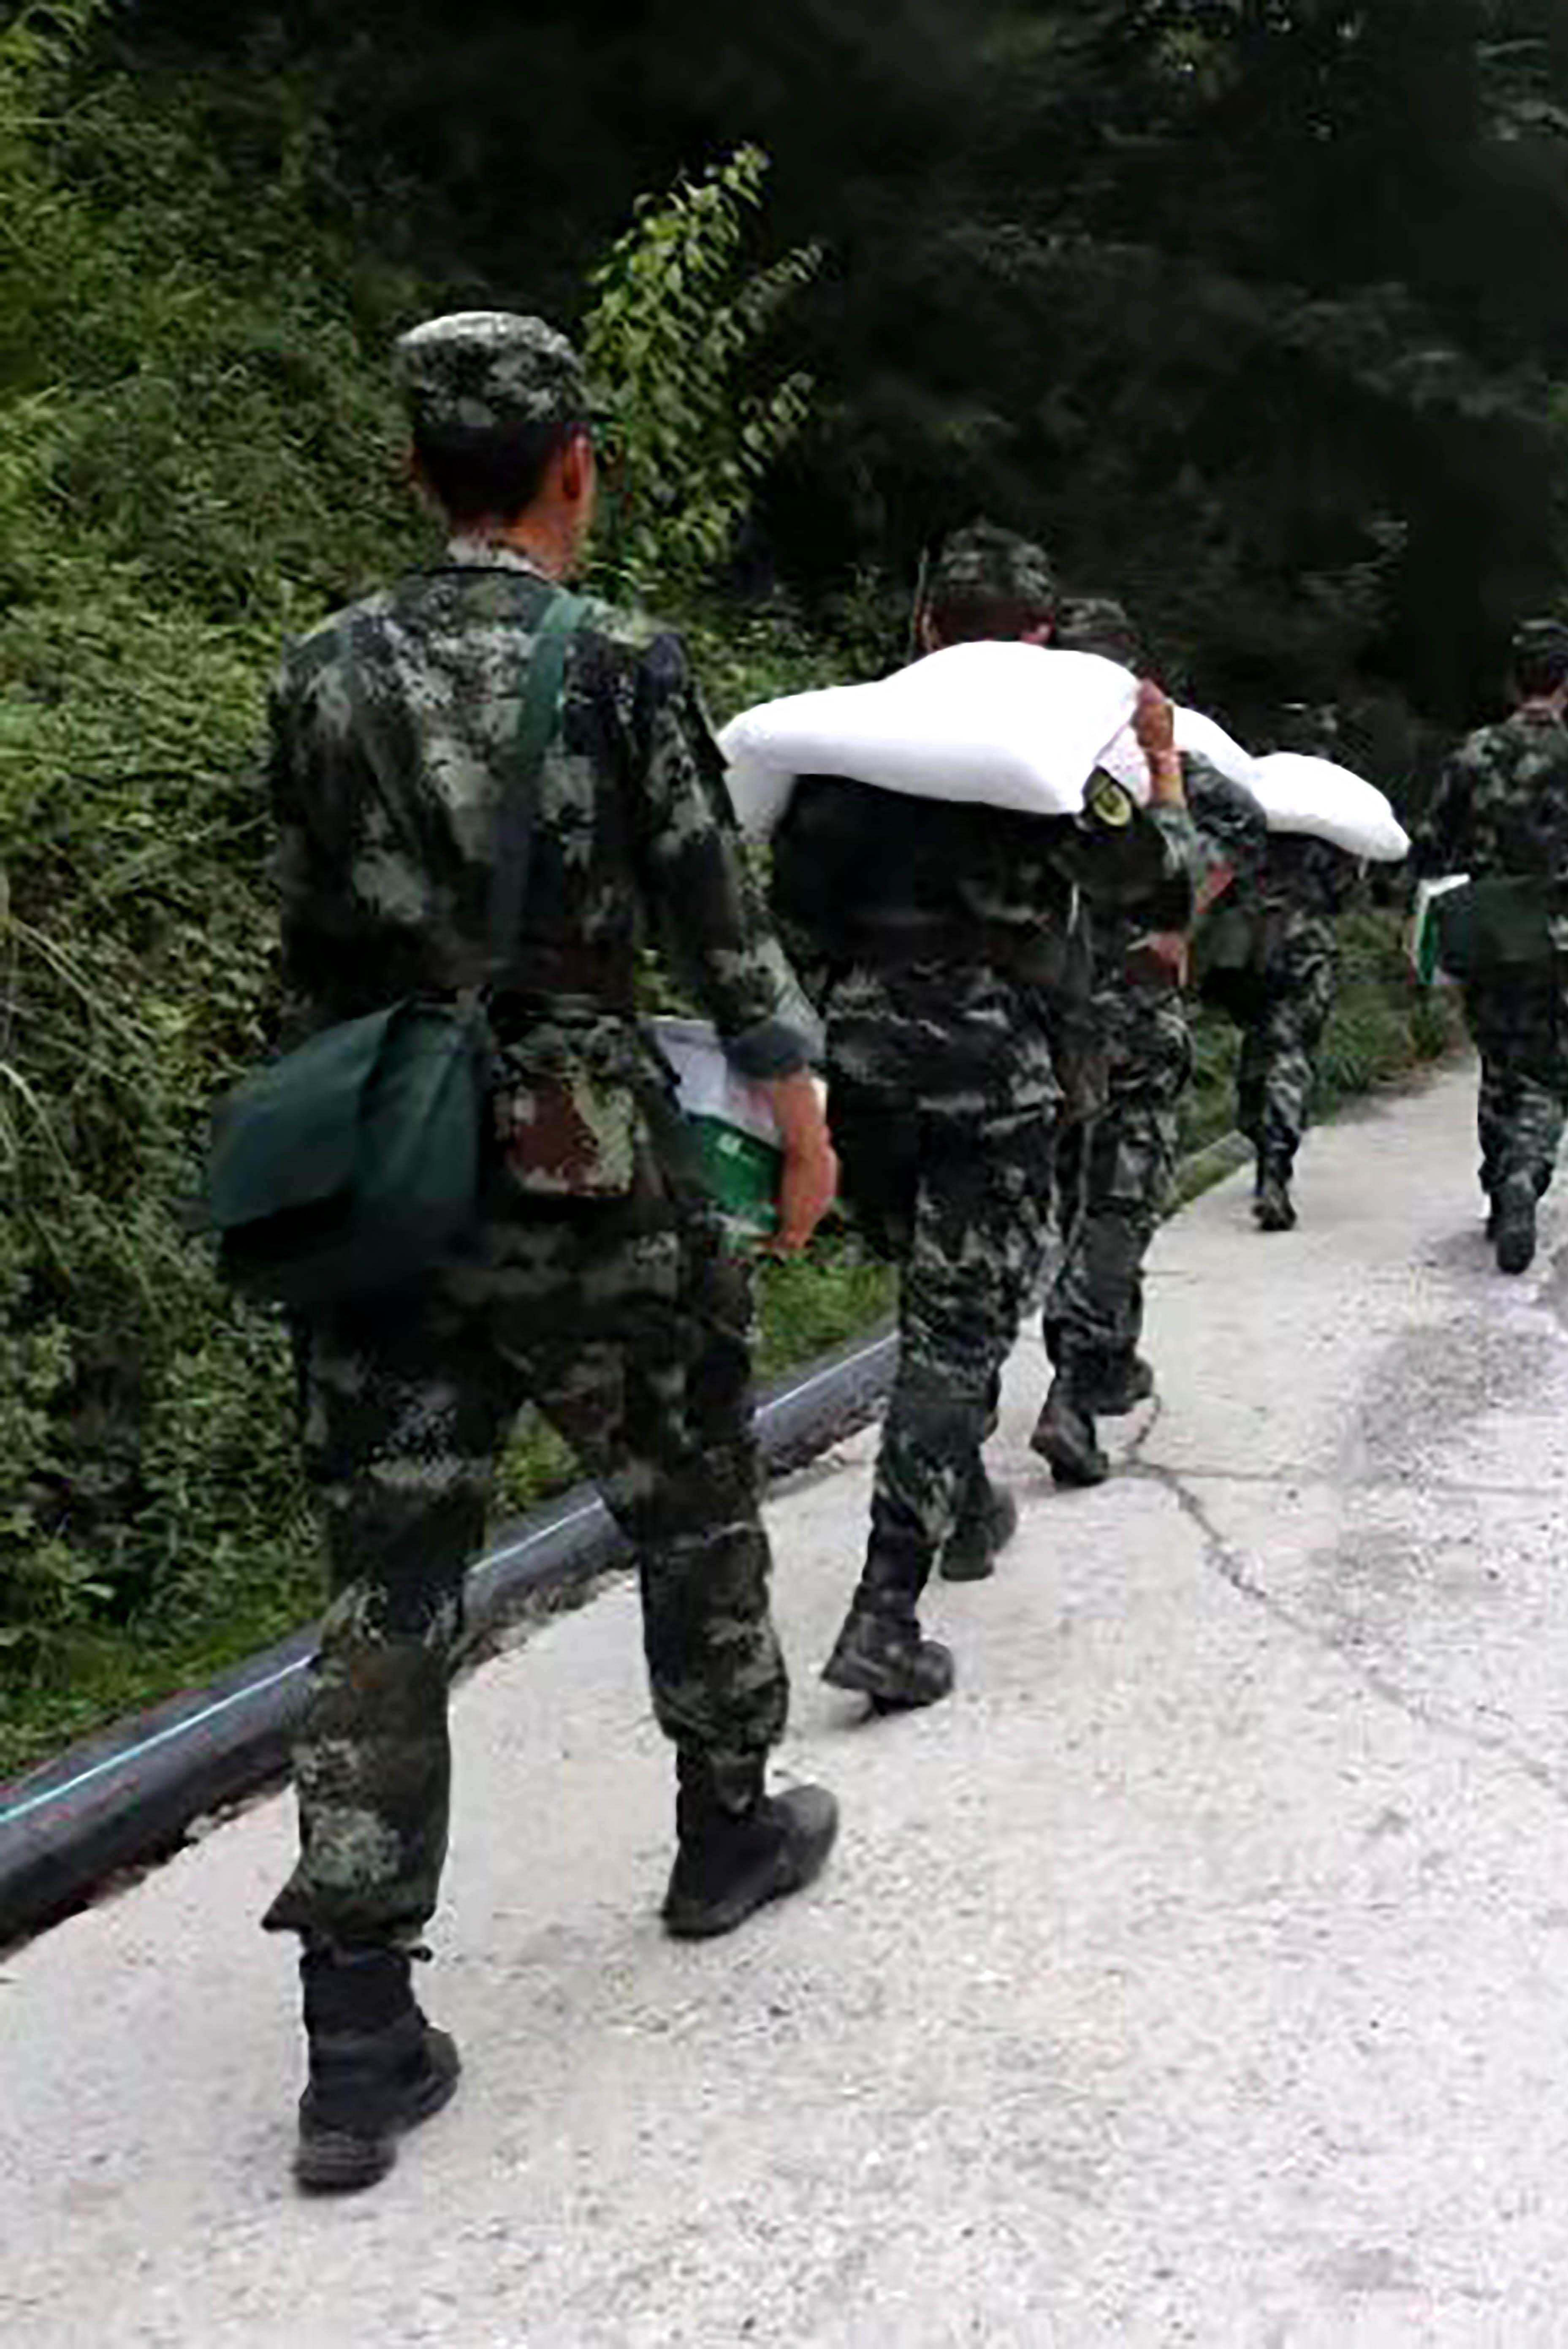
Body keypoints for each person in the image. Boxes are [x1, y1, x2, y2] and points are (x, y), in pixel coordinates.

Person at [258, 312, 843, 2194]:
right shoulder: (618, 667)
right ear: (576, 464)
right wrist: (800, 1110)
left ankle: (356, 2023)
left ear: (413, 470)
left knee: (390, 1575)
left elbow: (308, 930)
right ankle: (724, 1823)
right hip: (588, 1163)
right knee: (689, 1487)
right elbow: (715, 915)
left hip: (386, 1170)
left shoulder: (317, 670)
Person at [773, 527, 1195, 1706]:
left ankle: (960, 1509)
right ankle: (882, 1613)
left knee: (928, 1299)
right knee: (956, 1331)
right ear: (1042, 639)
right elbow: (1156, 887)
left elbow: (790, 910)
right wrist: (1157, 764)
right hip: (990, 1070)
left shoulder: (844, 753)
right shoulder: (1053, 752)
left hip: (862, 1067)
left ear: (924, 629)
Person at [1031, 596, 1207, 1489]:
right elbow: (1186, 872)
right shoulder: (1139, 769)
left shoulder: (1017, 761)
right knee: (1119, 1204)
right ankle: (1071, 1384)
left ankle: (1107, 1361)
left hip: (1039, 1023)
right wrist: (1165, 764)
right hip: (1129, 1020)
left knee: (1078, 1198)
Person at [1423, 619, 1568, 1274]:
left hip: (1482, 926)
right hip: (1549, 930)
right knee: (1549, 1066)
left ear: (1515, 678)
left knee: (1498, 1058)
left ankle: (1497, 1179)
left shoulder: (1472, 753)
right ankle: (1523, 1173)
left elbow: (1433, 840)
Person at [1195, 703, 1366, 1235]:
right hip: (1304, 946)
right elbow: (1344, 891)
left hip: (1243, 943)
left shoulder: (1246, 792)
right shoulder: (1336, 811)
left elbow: (1215, 863)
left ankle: (1256, 1131)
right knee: (1289, 1054)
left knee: (1258, 1046)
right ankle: (1275, 1167)